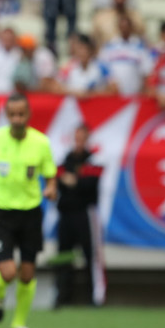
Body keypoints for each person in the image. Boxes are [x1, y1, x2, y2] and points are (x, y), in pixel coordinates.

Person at [0, 93, 56, 328]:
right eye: (13, 114)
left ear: (28, 115)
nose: (17, 119)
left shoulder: (41, 143)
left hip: (31, 213)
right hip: (1, 213)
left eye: (22, 114)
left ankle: (19, 324)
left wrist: (51, 187)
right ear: (7, 116)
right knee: (8, 273)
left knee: (27, 274)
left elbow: (50, 175)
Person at [53, 125, 105, 307]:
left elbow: (89, 184)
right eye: (77, 138)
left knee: (91, 255)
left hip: (85, 213)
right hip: (66, 213)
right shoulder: (65, 158)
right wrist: (74, 180)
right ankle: (62, 296)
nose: (79, 142)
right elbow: (59, 180)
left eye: (82, 138)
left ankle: (96, 297)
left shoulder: (94, 159)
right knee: (64, 255)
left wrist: (74, 180)